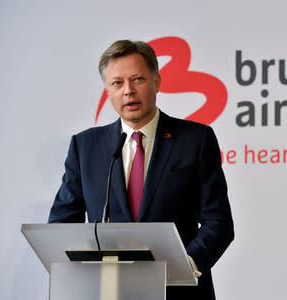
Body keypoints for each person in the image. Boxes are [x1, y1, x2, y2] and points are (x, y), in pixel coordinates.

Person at [48, 40, 234, 299]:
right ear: (107, 90)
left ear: (157, 82)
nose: (128, 91)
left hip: (179, 290)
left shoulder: (195, 140)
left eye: (137, 80)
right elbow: (60, 225)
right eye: (117, 83)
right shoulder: (85, 146)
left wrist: (185, 268)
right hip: (107, 290)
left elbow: (218, 222)